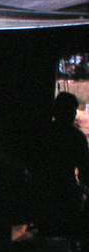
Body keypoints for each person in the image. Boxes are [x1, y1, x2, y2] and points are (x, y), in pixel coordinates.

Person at [35, 92, 89, 239]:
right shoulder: (76, 137)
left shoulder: (42, 133)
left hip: (41, 194)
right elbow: (85, 172)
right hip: (66, 195)